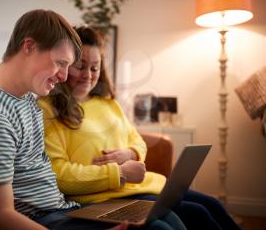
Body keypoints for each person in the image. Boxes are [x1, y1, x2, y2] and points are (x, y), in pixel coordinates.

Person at [0, 9, 186, 230]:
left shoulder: (23, 99)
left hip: (63, 209)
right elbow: (0, 216)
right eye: (60, 63)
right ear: (29, 46)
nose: (64, 76)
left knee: (166, 217)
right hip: (45, 220)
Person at [38, 25, 242, 230]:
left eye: (95, 67)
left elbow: (138, 141)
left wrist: (130, 153)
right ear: (63, 65)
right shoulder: (48, 109)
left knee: (213, 204)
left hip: (145, 185)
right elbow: (59, 174)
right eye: (80, 66)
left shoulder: (108, 103)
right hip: (104, 197)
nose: (88, 75)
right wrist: (118, 172)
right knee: (198, 213)